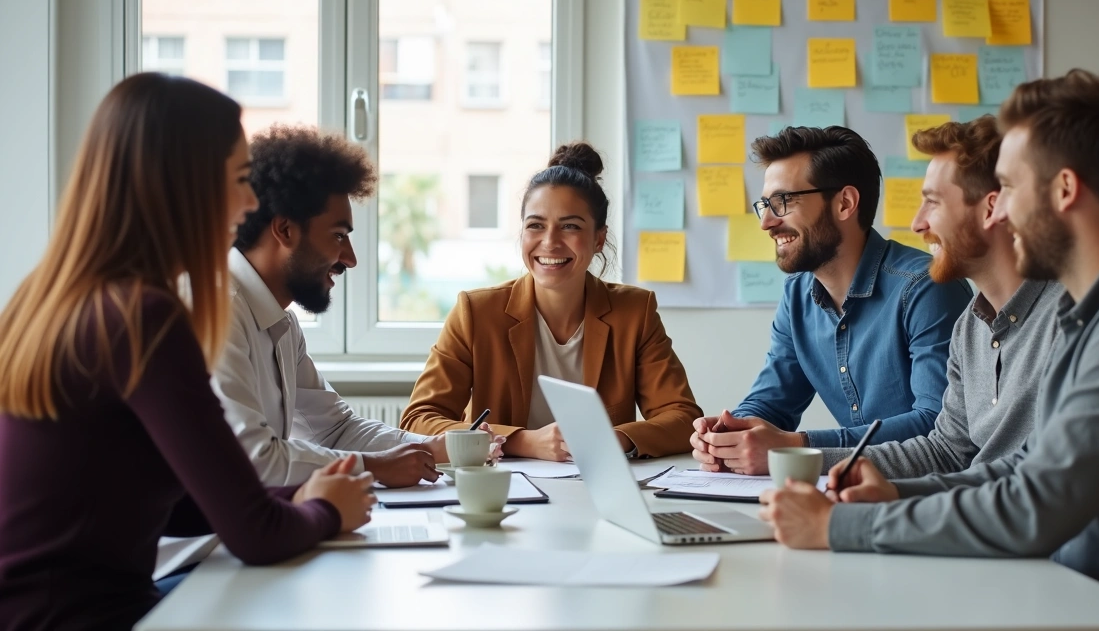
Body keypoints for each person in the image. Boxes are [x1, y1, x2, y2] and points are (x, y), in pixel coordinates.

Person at [759, 70, 1099, 631]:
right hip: (1064, 592)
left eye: (1011, 189)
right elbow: (1024, 465)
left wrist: (836, 528)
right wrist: (892, 494)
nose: (999, 211)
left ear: (1064, 191)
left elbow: (1036, 504)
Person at [0, 73, 374, 630]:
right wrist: (326, 510)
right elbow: (255, 535)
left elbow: (168, 501)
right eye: (241, 179)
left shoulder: (52, 297)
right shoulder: (143, 318)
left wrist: (298, 497)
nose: (250, 202)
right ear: (185, 185)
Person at [215, 125, 490, 489]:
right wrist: (374, 467)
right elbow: (253, 460)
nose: (351, 258)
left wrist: (430, 446)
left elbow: (335, 429)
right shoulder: (220, 313)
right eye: (338, 236)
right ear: (284, 230)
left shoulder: (281, 325)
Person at [690, 126, 973, 475]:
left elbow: (937, 426)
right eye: (765, 204)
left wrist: (797, 448)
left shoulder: (926, 288)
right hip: (853, 492)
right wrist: (730, 433)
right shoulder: (797, 295)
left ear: (845, 203)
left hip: (930, 499)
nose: (766, 222)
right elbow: (773, 400)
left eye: (783, 201)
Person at [400, 143, 701, 461]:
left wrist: (608, 439)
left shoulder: (635, 312)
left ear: (599, 239)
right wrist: (521, 441)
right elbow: (419, 420)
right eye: (535, 225)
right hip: (503, 489)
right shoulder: (475, 313)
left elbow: (682, 418)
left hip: (595, 488)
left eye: (570, 226)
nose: (550, 242)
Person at [816, 116, 1064, 478]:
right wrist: (807, 463)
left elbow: (1034, 479)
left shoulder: (1068, 317)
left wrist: (891, 508)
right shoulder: (970, 326)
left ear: (992, 209)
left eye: (932, 202)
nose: (917, 224)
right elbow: (946, 451)